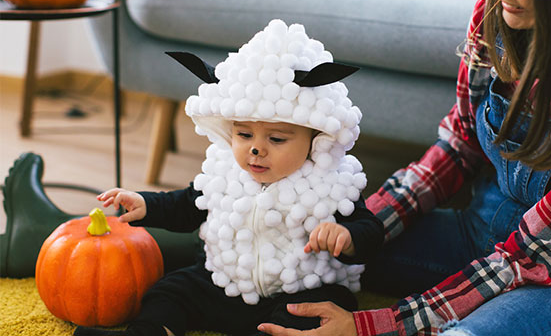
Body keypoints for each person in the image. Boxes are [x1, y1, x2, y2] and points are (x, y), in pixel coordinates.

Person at [256, 0, 551, 335]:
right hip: (480, 232)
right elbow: (460, 143)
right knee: (301, 249)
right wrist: (364, 225)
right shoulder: (496, 11)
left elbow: (530, 258)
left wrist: (370, 327)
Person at [74, 19, 384, 336]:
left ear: (316, 138)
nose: (256, 150)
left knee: (316, 312)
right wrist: (146, 204)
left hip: (297, 292)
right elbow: (186, 205)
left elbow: (371, 230)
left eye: (276, 140)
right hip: (224, 282)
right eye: (244, 134)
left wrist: (346, 238)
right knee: (171, 291)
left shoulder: (331, 185)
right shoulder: (224, 175)